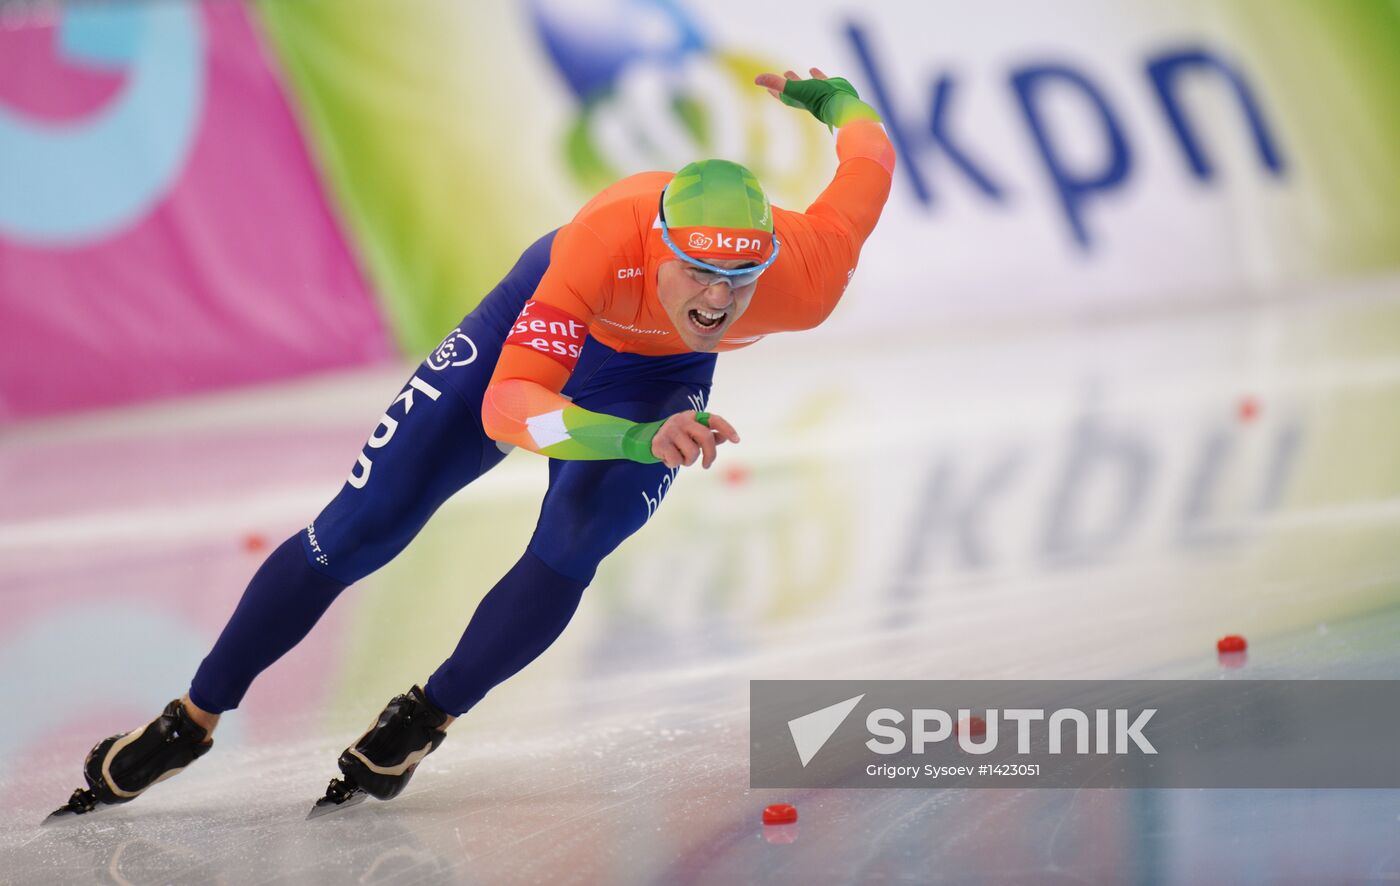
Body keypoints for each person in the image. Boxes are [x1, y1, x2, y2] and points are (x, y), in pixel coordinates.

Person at [50, 68, 895, 819]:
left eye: (739, 281)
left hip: (656, 378)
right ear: (660, 246)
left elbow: (869, 161)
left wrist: (834, 100)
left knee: (576, 541)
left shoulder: (809, 275)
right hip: (536, 335)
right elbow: (507, 411)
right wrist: (636, 439)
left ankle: (427, 717)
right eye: (699, 274)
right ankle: (191, 717)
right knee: (363, 524)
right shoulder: (599, 247)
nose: (717, 301)